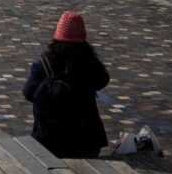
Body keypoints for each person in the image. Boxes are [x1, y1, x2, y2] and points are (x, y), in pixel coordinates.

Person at [23, 12, 110, 159]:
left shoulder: (44, 64)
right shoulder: (89, 63)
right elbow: (103, 80)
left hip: (48, 142)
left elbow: (28, 93)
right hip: (86, 143)